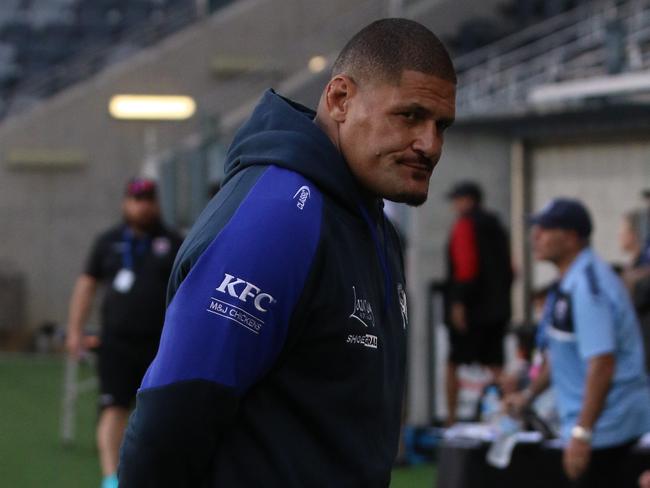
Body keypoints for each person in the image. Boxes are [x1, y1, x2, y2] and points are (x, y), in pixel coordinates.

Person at [118, 18, 456, 487]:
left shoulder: (373, 224)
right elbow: (175, 412)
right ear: (340, 100)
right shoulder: (280, 215)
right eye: (410, 115)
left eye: (442, 125)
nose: (430, 144)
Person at [507, 198, 650, 487]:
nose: (536, 237)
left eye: (545, 229)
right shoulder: (570, 281)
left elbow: (602, 363)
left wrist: (582, 433)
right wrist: (528, 395)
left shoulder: (587, 286)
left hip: (609, 431)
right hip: (594, 427)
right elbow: (561, 351)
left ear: (571, 237)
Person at [65, 178, 182, 488]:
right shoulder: (108, 242)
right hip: (115, 343)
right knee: (113, 407)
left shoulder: (173, 242)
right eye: (136, 199)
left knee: (158, 410)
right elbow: (87, 286)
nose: (142, 205)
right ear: (125, 203)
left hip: (160, 344)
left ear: (156, 203)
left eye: (147, 199)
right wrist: (75, 330)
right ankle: (111, 478)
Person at [443, 181, 512, 425]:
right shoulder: (498, 226)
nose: (455, 205)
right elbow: (512, 269)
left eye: (457, 199)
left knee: (453, 364)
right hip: (498, 309)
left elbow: (466, 267)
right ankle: (511, 416)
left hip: (472, 310)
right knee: (496, 367)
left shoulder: (465, 225)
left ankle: (451, 421)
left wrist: (459, 302)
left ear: (468, 200)